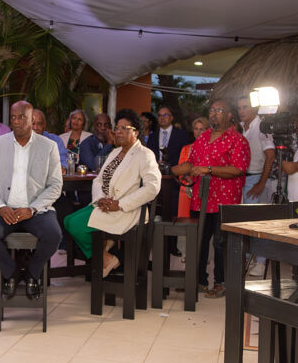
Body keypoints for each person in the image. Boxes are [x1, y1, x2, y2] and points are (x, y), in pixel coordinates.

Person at [0, 101, 63, 301]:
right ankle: (11, 272)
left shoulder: (48, 146)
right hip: (4, 210)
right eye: (13, 118)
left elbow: (55, 185)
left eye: (21, 117)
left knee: (54, 234)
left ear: (32, 119)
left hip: (36, 211)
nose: (16, 122)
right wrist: (0, 206)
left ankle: (32, 274)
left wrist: (32, 209)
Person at [63, 109, 160, 277]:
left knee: (75, 225)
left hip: (124, 210)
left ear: (135, 132)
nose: (118, 131)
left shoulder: (144, 154)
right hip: (105, 205)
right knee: (68, 220)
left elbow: (152, 187)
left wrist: (120, 204)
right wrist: (100, 198)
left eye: (124, 128)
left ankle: (103, 257)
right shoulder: (115, 152)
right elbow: (98, 180)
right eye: (117, 127)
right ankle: (106, 257)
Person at [173, 100, 250, 296]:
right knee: (199, 240)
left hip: (224, 200)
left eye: (219, 110)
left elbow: (238, 169)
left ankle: (221, 283)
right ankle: (197, 280)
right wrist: (169, 170)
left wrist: (209, 169)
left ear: (230, 115)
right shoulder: (203, 138)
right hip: (201, 198)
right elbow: (190, 164)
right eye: (212, 110)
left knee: (220, 243)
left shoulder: (237, 140)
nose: (214, 113)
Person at [152, 106, 192, 255]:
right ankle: (159, 246)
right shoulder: (153, 135)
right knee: (159, 211)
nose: (162, 118)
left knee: (173, 212)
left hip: (175, 179)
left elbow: (186, 157)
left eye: (166, 115)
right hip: (157, 179)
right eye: (160, 115)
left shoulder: (181, 135)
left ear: (171, 117)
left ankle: (172, 246)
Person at [237, 96, 275, 204]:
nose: (241, 111)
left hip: (256, 177)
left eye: (245, 107)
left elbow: (271, 155)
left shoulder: (262, 126)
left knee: (252, 217)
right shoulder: (239, 127)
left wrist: (261, 184)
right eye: (239, 108)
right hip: (240, 178)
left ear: (254, 108)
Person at [176, 116, 208, 218]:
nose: (198, 132)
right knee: (185, 222)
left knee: (201, 223)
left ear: (207, 131)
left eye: (201, 129)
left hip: (202, 190)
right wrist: (189, 181)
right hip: (186, 188)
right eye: (196, 129)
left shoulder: (211, 150)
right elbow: (180, 170)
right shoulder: (186, 149)